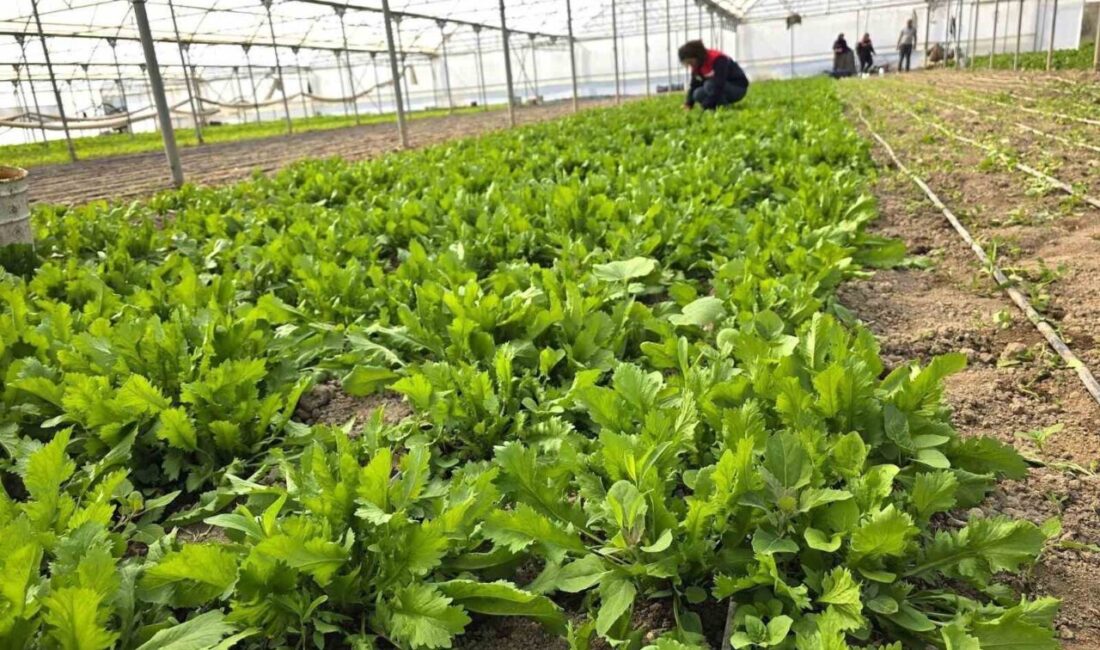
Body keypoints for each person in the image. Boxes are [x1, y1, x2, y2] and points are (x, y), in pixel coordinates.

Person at [678, 40, 750, 111]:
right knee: (697, 94)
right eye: (687, 63)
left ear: (697, 56)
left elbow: (719, 85)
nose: (690, 65)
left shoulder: (719, 59)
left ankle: (724, 107)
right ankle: (717, 107)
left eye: (690, 62)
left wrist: (706, 104)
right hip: (718, 88)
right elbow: (694, 85)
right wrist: (688, 104)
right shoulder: (697, 66)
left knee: (709, 85)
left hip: (738, 88)